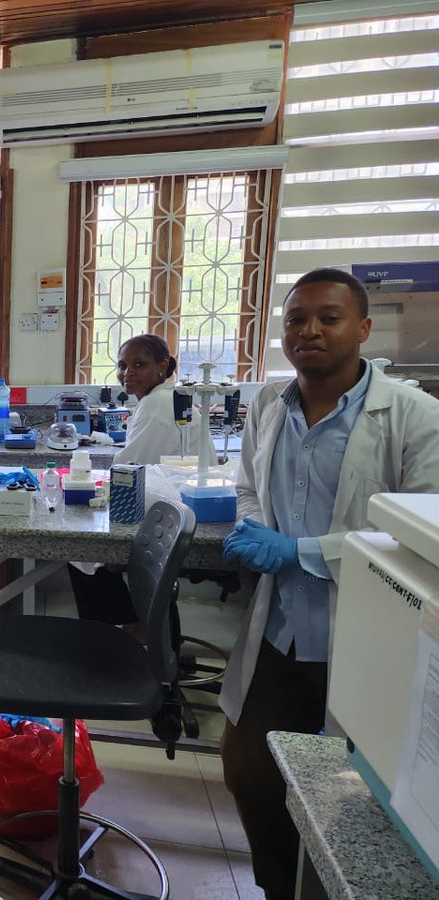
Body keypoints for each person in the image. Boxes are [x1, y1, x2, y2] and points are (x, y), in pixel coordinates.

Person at [219, 268, 439, 900]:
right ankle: (278, 889)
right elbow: (245, 485)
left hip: (369, 636)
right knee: (250, 771)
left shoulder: (414, 416)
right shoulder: (267, 403)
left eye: (328, 318)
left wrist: (298, 549)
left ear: (363, 328)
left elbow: (422, 541)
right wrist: (255, 524)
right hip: (280, 632)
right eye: (295, 319)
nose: (308, 330)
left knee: (359, 802)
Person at [68, 334, 198, 633]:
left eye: (139, 365)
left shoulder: (156, 405)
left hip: (170, 519)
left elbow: (127, 474)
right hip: (181, 509)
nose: (127, 373)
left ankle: (126, 632)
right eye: (122, 365)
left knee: (82, 547)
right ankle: (136, 629)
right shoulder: (164, 399)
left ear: (163, 366)